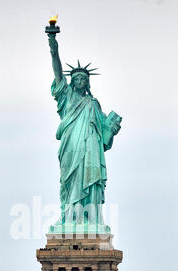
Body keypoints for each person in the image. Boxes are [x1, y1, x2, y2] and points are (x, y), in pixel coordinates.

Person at [48, 34, 121, 232]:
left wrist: (112, 129)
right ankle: (70, 217)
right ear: (71, 82)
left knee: (90, 179)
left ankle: (91, 217)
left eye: (83, 79)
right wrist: (53, 47)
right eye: (76, 78)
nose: (79, 81)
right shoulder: (67, 97)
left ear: (87, 83)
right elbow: (57, 72)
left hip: (91, 150)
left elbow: (104, 137)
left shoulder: (93, 104)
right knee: (70, 181)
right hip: (71, 146)